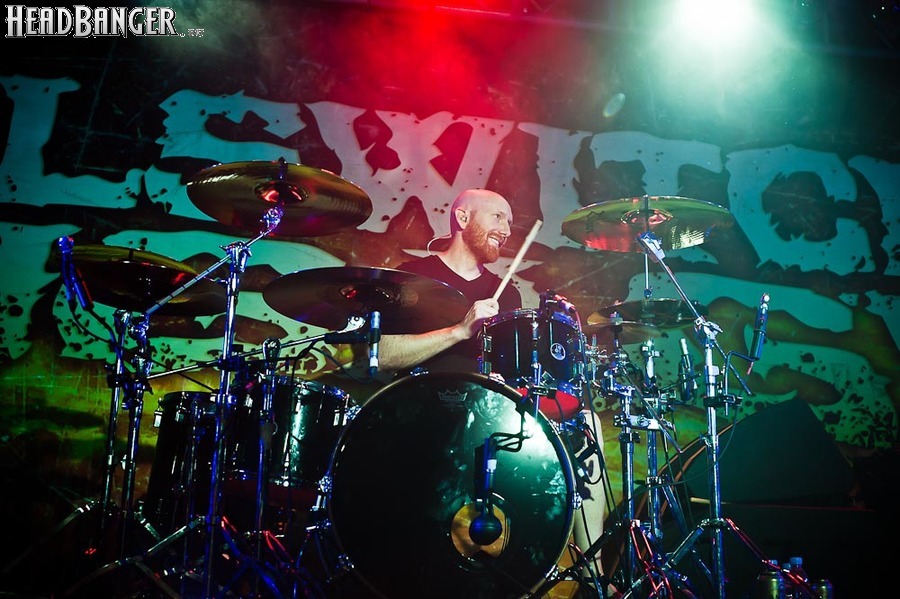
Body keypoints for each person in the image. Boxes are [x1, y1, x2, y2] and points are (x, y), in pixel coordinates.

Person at [356, 188, 613, 596]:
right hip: (429, 413)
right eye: (497, 217)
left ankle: (592, 579)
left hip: (490, 415)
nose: (507, 230)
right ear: (462, 218)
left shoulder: (505, 292)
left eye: (509, 222)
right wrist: (460, 330)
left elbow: (512, 376)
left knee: (587, 426)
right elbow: (384, 355)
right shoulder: (412, 276)